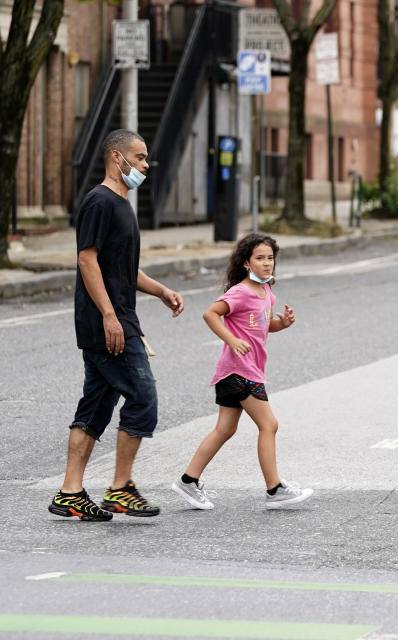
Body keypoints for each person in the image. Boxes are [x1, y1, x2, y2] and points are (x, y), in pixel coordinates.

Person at [48, 129, 185, 521]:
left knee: (96, 406)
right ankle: (120, 489)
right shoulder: (100, 202)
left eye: (145, 159)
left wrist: (160, 291)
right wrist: (110, 316)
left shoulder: (122, 203)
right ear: (116, 158)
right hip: (108, 322)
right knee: (143, 398)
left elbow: (120, 266)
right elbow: (87, 260)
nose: (145, 166)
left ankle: (70, 493)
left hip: (117, 318)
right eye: (139, 158)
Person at [171, 233, 313, 510]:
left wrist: (281, 324)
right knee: (269, 424)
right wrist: (231, 340)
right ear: (246, 263)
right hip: (239, 371)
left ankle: (188, 481)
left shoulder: (266, 292)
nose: (266, 263)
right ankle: (275, 489)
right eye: (259, 258)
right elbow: (210, 313)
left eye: (270, 258)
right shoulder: (240, 291)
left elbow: (264, 323)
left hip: (241, 371)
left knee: (224, 429)